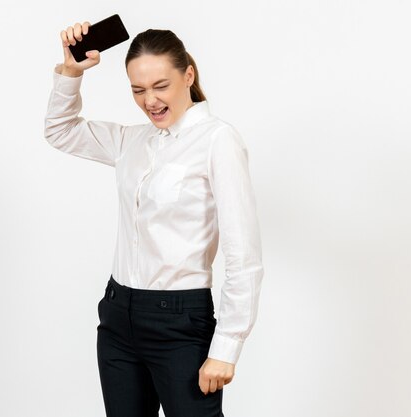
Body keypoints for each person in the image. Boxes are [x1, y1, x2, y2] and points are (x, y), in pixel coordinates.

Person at [44, 20, 264, 417]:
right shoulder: (133, 140)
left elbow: (242, 253)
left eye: (161, 86)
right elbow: (60, 131)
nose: (150, 101)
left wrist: (227, 347)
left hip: (179, 324)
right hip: (116, 317)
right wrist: (72, 72)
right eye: (138, 90)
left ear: (188, 75)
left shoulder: (218, 141)